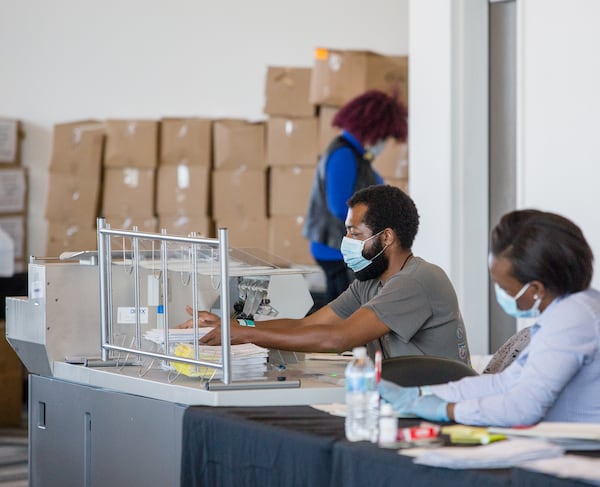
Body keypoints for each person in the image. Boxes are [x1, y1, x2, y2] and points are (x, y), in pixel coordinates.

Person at [179, 185, 470, 364]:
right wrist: (234, 324)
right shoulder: (369, 285)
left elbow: (337, 339)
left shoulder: (418, 280)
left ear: (387, 237)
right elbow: (305, 326)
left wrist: (242, 334)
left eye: (355, 234)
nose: (346, 241)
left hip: (437, 403)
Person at [379, 209, 600, 426]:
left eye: (504, 287)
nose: (501, 294)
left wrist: (444, 409)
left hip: (576, 455)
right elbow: (505, 382)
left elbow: (522, 408)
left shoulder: (573, 318)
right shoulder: (571, 310)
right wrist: (419, 394)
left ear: (535, 289)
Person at [303, 90, 408, 302]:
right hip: (336, 250)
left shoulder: (356, 155)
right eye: (384, 136)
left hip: (346, 248)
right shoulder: (344, 155)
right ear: (373, 128)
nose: (383, 143)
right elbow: (341, 206)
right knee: (347, 316)